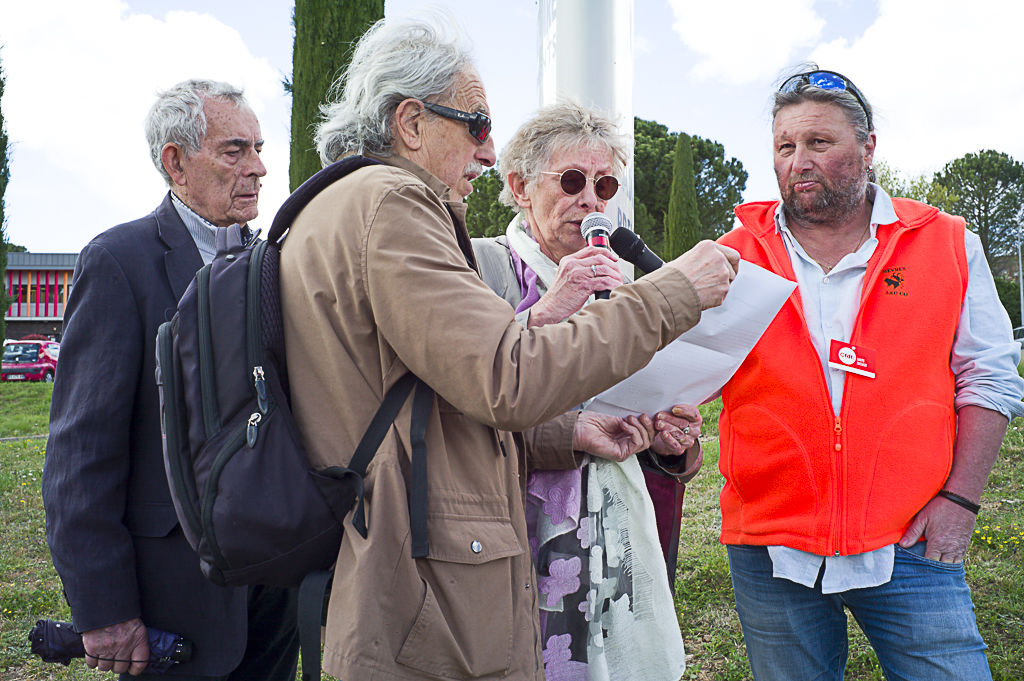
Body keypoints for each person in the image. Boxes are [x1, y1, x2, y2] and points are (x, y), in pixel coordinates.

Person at [278, 13, 738, 681]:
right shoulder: (393, 205)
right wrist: (674, 294)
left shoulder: (340, 205)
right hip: (427, 583)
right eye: (476, 126)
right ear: (410, 123)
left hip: (414, 566)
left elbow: (440, 409)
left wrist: (580, 431)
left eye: (604, 184)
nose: (487, 153)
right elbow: (506, 377)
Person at [716, 64, 1024, 680]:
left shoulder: (945, 243)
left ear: (868, 148)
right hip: (770, 545)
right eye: (785, 146)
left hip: (911, 538)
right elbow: (688, 372)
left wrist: (961, 500)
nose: (798, 160)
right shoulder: (734, 255)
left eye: (819, 143)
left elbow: (990, 378)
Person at [43, 79, 299, 679]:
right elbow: (81, 454)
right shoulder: (118, 261)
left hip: (274, 591)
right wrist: (103, 608)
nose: (259, 168)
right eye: (235, 151)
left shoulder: (274, 263)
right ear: (175, 163)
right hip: (175, 601)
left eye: (259, 148)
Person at [472, 100, 701, 680]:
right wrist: (549, 310)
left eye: (605, 185)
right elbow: (465, 401)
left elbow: (644, 401)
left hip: (620, 539)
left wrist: (669, 439)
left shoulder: (626, 286)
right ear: (520, 187)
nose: (591, 201)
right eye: (572, 181)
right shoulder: (479, 269)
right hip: (516, 539)